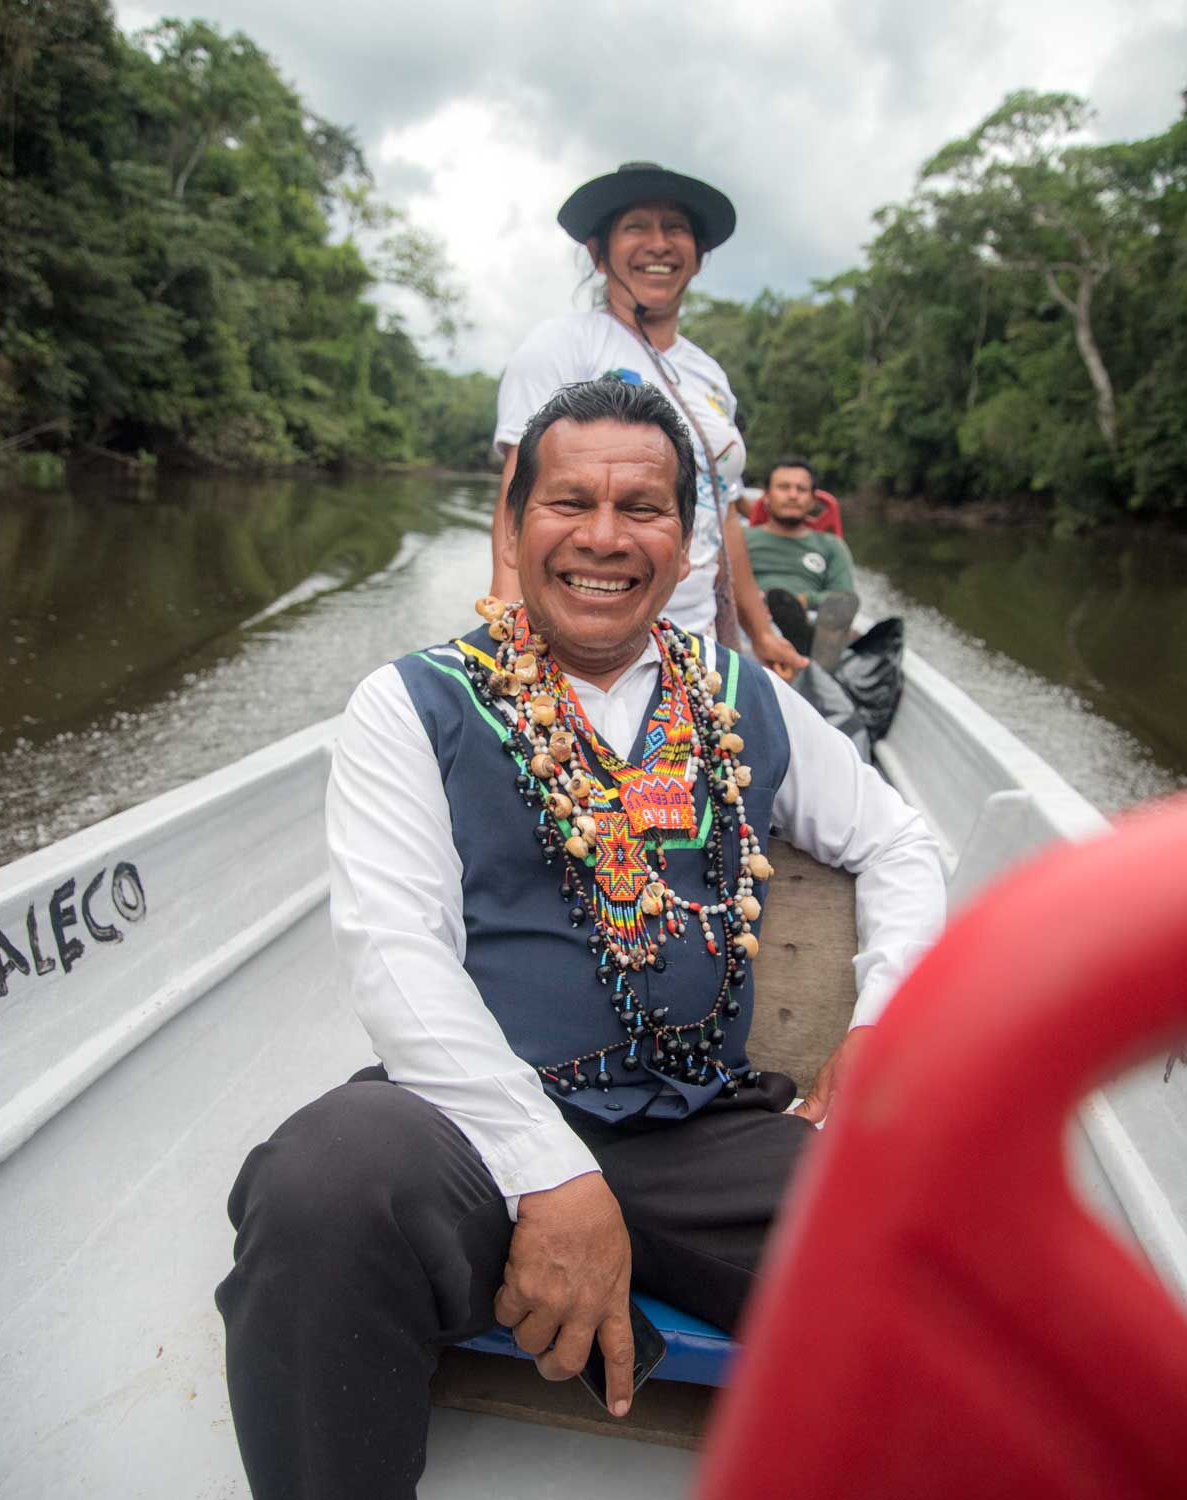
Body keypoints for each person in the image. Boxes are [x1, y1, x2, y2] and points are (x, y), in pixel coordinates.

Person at [217, 379, 946, 1500]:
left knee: (948, 1270)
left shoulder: (736, 697)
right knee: (324, 1186)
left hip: (699, 1123)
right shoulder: (412, 705)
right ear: (512, 526)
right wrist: (551, 1175)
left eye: (642, 507)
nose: (603, 538)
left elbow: (900, 844)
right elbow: (394, 953)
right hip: (470, 1115)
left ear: (689, 542)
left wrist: (882, 1028)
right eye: (569, 501)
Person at [490, 161, 807, 680]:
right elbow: (519, 499)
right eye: (637, 226)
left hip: (694, 640)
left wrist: (761, 631)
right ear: (598, 254)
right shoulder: (563, 346)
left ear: (698, 259)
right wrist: (506, 630)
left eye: (676, 228)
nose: (659, 244)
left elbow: (723, 515)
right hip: (584, 644)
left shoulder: (710, 376)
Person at [744, 456, 859, 672]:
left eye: (801, 489)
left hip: (812, 617)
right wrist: (753, 601)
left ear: (813, 500)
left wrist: (806, 600)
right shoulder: (742, 539)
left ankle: (810, 653)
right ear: (767, 496)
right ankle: (814, 667)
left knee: (836, 612)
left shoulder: (831, 545)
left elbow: (843, 596)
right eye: (784, 487)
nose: (793, 495)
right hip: (755, 618)